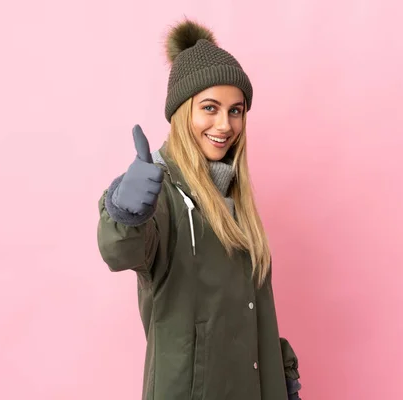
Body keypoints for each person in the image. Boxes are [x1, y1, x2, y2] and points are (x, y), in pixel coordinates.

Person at [97, 18, 302, 400]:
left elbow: (247, 312)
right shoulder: (161, 191)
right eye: (210, 108)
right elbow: (121, 251)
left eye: (236, 111)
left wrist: (279, 374)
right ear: (182, 111)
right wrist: (125, 212)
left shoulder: (236, 198)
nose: (224, 125)